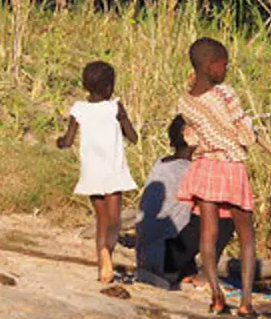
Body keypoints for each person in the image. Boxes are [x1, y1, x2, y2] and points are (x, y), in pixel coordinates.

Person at [176, 38, 258, 318]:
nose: (226, 70)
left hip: (206, 167)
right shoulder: (225, 94)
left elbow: (192, 136)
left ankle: (216, 296)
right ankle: (246, 302)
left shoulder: (186, 103)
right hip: (231, 166)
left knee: (207, 234)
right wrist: (250, 130)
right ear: (211, 66)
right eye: (224, 65)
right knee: (246, 235)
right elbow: (243, 134)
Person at [57, 60, 138, 284]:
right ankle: (107, 252)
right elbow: (132, 137)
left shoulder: (78, 109)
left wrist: (60, 143)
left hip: (92, 171)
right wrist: (126, 124)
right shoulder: (115, 107)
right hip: (112, 171)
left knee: (101, 220)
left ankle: (102, 265)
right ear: (108, 87)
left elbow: (68, 140)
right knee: (114, 222)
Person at [135, 116, 235, 287]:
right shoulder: (189, 170)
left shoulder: (161, 163)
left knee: (192, 215)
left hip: (146, 255)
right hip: (165, 258)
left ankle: (186, 270)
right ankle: (204, 276)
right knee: (226, 216)